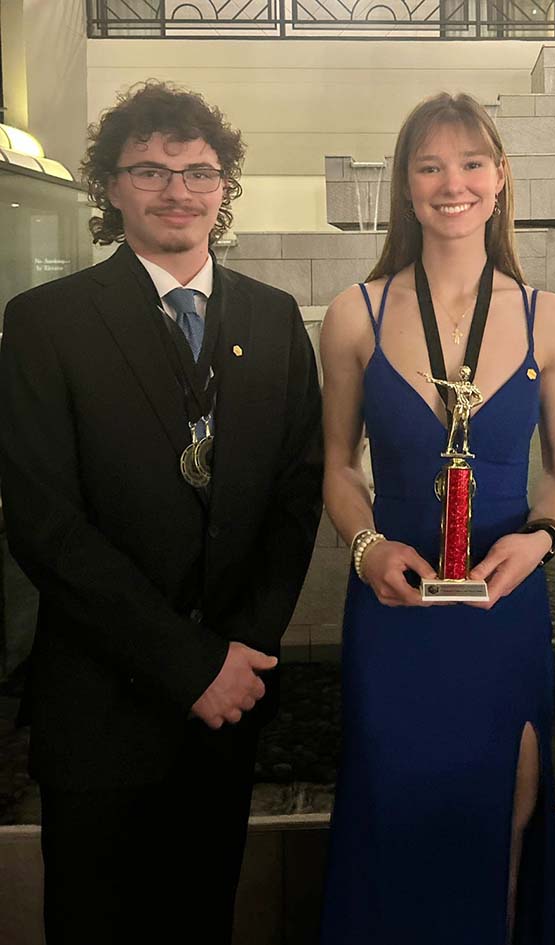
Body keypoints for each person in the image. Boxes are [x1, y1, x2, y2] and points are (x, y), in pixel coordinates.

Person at [0, 82, 324, 945]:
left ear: (224, 187)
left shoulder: (273, 319)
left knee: (201, 922)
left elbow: (297, 498)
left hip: (228, 707)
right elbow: (44, 525)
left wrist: (242, 653)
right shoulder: (45, 323)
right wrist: (191, 665)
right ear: (110, 186)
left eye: (199, 172)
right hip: (101, 707)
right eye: (149, 170)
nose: (177, 190)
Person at [318, 92, 555, 944]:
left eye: (471, 163)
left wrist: (539, 541)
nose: (452, 183)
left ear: (500, 178)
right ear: (405, 183)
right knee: (393, 812)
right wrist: (366, 548)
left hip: (503, 609)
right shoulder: (355, 313)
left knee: (506, 813)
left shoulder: (553, 320)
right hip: (393, 608)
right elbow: (336, 468)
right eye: (429, 165)